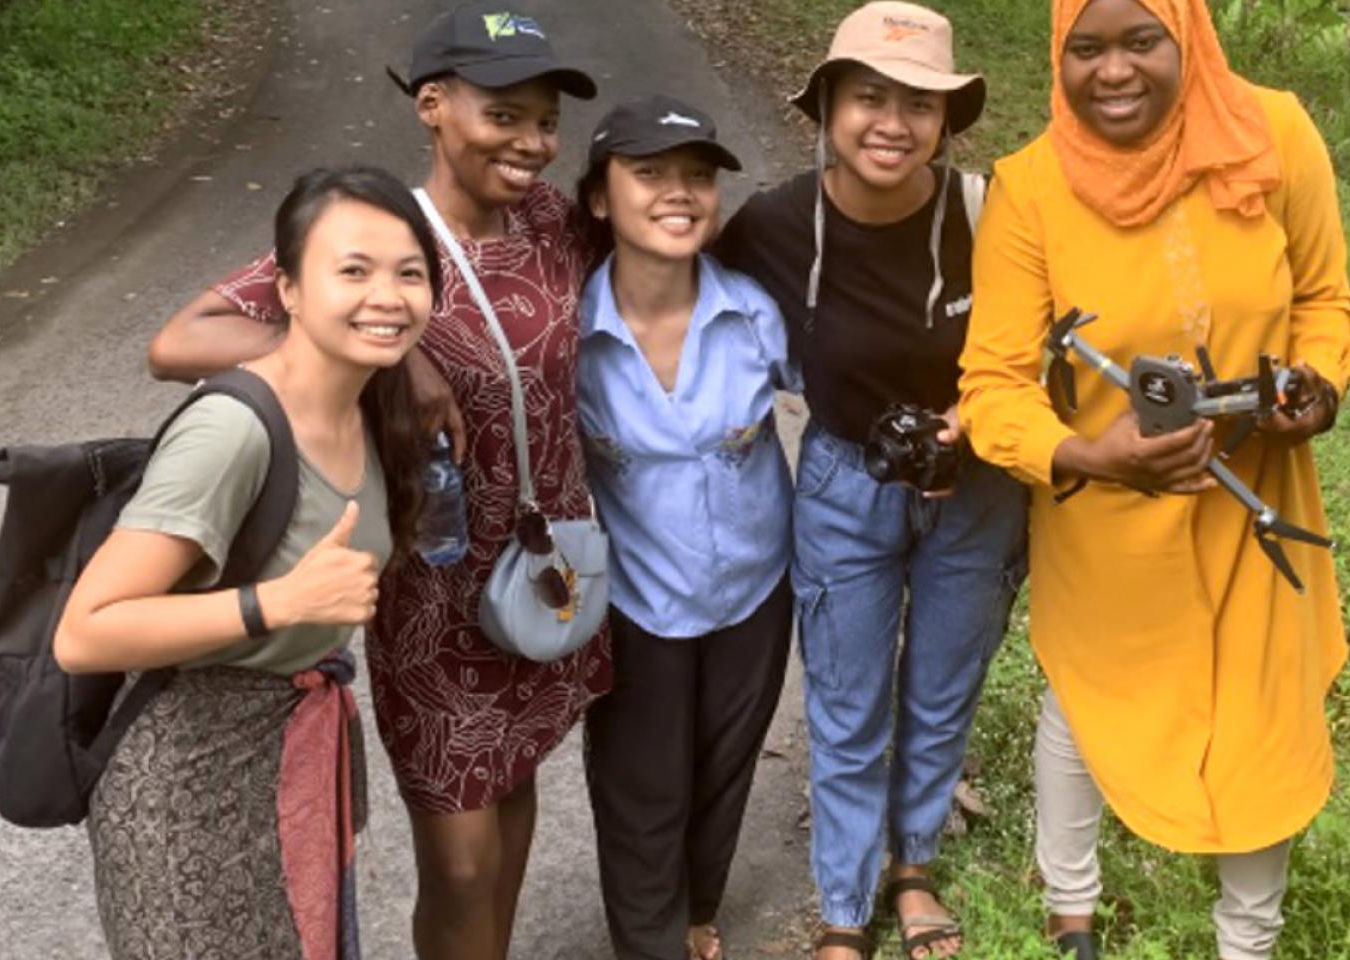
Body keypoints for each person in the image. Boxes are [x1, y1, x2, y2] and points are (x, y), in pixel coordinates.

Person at [144, 5, 612, 957]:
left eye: (543, 121)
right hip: (430, 593)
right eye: (503, 115)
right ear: (434, 106)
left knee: (515, 788)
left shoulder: (556, 225)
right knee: (460, 856)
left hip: (547, 570)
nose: (531, 143)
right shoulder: (381, 233)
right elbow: (179, 340)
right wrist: (397, 363)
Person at [956, 0, 1350, 956]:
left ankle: (1247, 940)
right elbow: (993, 383)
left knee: (1263, 711)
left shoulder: (1277, 134)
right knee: (1088, 695)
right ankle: (1071, 912)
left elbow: (1323, 300)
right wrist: (1088, 456)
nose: (1114, 71)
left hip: (1256, 491)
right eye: (1086, 48)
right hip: (1107, 507)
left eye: (1142, 41)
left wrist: (1319, 387)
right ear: (1059, 53)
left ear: (1190, 37)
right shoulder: (1032, 186)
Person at [711, 4, 1028, 958]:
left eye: (919, 104)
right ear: (829, 109)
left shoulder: (990, 214)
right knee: (848, 702)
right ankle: (845, 907)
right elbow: (679, 297)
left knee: (941, 690)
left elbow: (1053, 332)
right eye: (869, 98)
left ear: (947, 120)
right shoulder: (773, 223)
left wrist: (972, 421)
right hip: (847, 481)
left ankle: (914, 866)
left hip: (978, 486)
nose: (893, 122)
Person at [55, 164, 434, 957]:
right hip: (188, 789)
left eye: (410, 272)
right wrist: (279, 604)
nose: (388, 296)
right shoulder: (233, 429)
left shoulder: (372, 405)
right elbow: (85, 633)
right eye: (353, 270)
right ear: (289, 290)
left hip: (293, 757)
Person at [571, 95, 792, 960]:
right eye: (650, 173)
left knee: (724, 768)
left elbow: (846, 391)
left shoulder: (754, 315)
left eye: (697, 176)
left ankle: (699, 908)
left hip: (756, 587)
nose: (679, 193)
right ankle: (651, 942)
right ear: (599, 197)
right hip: (638, 602)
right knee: (640, 788)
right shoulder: (571, 336)